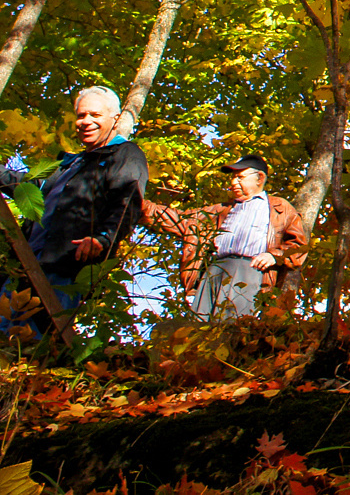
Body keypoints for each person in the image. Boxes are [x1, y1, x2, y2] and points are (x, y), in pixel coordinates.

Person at [0, 85, 149, 326]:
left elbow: (128, 201)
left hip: (64, 270)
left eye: (95, 115)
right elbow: (25, 185)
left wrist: (103, 239)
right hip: (24, 265)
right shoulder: (68, 164)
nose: (86, 121)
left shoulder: (124, 154)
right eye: (81, 115)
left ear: (115, 118)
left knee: (36, 343)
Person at [144, 154, 308, 318]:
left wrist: (274, 255)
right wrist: (135, 201)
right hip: (213, 272)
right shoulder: (218, 211)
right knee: (198, 330)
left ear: (260, 178)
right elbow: (175, 219)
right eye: (233, 178)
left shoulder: (280, 208)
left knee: (232, 328)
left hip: (249, 271)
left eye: (240, 177)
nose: (233, 183)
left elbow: (299, 246)